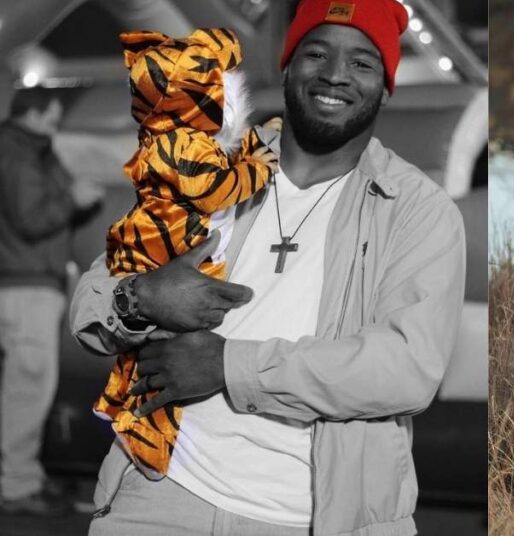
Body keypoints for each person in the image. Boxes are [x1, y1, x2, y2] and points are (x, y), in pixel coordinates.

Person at [69, 1, 466, 534]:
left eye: (362, 64)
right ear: (288, 64)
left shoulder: (416, 210)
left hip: (309, 518)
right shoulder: (205, 175)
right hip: (160, 498)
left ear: (387, 85)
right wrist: (142, 297)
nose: (334, 75)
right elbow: (92, 300)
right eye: (317, 53)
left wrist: (228, 365)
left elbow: (405, 369)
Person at [94, 27, 279, 480]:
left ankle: (129, 415)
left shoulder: (182, 136)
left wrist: (258, 140)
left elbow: (227, 150)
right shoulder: (175, 143)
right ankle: (144, 435)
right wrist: (258, 170)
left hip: (167, 243)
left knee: (157, 349)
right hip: (163, 246)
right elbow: (214, 187)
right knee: (162, 351)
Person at [0, 88, 103, 515]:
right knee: (28, 387)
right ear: (35, 115)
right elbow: (29, 216)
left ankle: (20, 478)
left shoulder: (24, 151)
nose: (55, 126)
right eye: (52, 118)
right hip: (27, 286)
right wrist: (73, 200)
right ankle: (17, 486)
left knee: (19, 387)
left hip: (19, 282)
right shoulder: (21, 154)